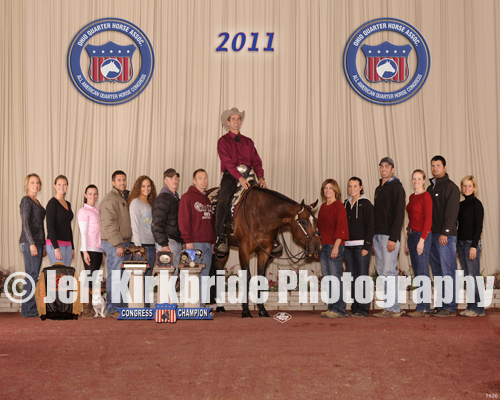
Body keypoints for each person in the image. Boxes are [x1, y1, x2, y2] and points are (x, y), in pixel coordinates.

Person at [214, 107, 268, 255]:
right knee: (223, 201)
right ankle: (220, 236)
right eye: (233, 119)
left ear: (241, 122)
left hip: (248, 175)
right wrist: (239, 177)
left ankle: (270, 237)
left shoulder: (248, 142)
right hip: (231, 176)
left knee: (263, 199)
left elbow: (256, 160)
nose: (236, 121)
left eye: (238, 119)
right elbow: (227, 162)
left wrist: (260, 176)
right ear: (228, 122)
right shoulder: (223, 141)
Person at [427, 156, 460, 317]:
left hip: (445, 236)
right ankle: (440, 305)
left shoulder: (451, 187)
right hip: (432, 235)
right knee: (438, 272)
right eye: (433, 165)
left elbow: (452, 212)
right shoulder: (429, 188)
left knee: (448, 271)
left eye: (438, 165)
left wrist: (445, 232)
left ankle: (450, 306)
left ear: (445, 167)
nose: (435, 168)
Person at [373, 157, 406, 318]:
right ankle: (389, 307)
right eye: (381, 166)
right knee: (382, 272)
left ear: (392, 169)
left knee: (389, 271)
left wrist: (394, 238)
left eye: (387, 166)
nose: (383, 169)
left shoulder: (397, 188)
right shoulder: (378, 189)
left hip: (389, 237)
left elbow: (399, 214)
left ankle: (393, 308)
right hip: (378, 236)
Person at [178, 169, 215, 307]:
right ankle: (191, 307)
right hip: (194, 244)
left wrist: (212, 242)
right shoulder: (187, 197)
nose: (203, 180)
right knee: (193, 277)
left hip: (207, 245)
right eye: (200, 178)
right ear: (194, 181)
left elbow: (210, 223)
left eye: (205, 177)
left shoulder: (207, 199)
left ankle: (201, 306)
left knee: (204, 278)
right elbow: (183, 221)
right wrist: (188, 241)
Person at [100, 170, 132, 318]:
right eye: (119, 180)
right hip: (114, 243)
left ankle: (121, 306)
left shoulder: (123, 197)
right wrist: (118, 244)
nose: (122, 182)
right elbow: (109, 224)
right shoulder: (110, 199)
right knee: (115, 275)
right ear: (113, 182)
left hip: (124, 243)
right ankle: (112, 307)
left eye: (124, 180)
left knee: (123, 276)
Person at [317, 179, 349, 318]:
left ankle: (339, 309)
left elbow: (341, 227)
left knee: (336, 277)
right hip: (323, 247)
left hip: (335, 245)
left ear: (335, 190)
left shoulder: (339, 206)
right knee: (328, 278)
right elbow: (319, 229)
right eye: (325, 188)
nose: (327, 190)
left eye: (330, 188)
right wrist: (317, 248)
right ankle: (332, 307)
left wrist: (336, 246)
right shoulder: (323, 207)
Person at [343, 177, 374, 318]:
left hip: (361, 246)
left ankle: (363, 309)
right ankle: (355, 307)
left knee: (362, 277)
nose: (352, 189)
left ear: (361, 187)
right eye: (350, 186)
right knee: (352, 278)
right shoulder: (345, 204)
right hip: (348, 247)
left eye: (355, 186)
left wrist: (367, 246)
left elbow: (371, 226)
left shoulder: (366, 203)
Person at [404, 170, 433, 317]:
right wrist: (407, 238)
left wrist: (422, 240)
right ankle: (422, 305)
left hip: (423, 236)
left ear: (424, 180)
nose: (416, 181)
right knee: (417, 272)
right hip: (412, 236)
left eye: (419, 179)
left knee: (422, 271)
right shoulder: (411, 197)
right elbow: (411, 220)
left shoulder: (426, 196)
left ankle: (424, 307)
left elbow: (428, 220)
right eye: (414, 179)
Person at [19, 173, 47, 318]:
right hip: (29, 242)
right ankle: (28, 310)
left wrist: (43, 244)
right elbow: (25, 223)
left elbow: (40, 225)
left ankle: (29, 308)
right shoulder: (26, 200)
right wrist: (32, 243)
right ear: (27, 185)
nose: (35, 185)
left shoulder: (37, 202)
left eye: (37, 182)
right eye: (32, 182)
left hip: (38, 242)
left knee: (33, 275)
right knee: (31, 274)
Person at [457, 175, 484, 317]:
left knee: (473, 276)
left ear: (474, 188)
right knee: (468, 277)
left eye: (469, 185)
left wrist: (474, 246)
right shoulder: (460, 205)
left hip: (471, 244)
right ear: (462, 188)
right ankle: (471, 306)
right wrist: (457, 245)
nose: (466, 188)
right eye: (464, 185)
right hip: (461, 244)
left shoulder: (477, 204)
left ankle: (478, 309)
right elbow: (459, 226)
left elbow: (479, 227)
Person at [128, 175, 157, 307]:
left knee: (148, 279)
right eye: (143, 186)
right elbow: (134, 225)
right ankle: (140, 308)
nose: (146, 188)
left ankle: (146, 307)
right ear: (138, 187)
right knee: (140, 279)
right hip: (142, 246)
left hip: (152, 245)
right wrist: (138, 247)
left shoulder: (152, 203)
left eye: (148, 186)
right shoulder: (135, 202)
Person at [77, 184, 103, 318]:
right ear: (85, 195)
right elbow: (83, 233)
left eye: (95, 193)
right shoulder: (83, 211)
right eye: (90, 193)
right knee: (89, 279)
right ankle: (86, 308)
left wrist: (102, 251)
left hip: (98, 249)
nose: (93, 196)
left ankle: (92, 306)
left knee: (94, 279)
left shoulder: (98, 210)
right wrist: (85, 251)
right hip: (89, 249)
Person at [152, 168, 183, 274]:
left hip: (175, 242)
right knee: (165, 276)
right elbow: (157, 224)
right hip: (167, 242)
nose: (174, 180)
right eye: (170, 178)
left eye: (176, 178)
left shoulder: (176, 199)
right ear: (165, 181)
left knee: (172, 276)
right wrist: (164, 244)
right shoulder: (163, 199)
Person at [46, 175, 75, 266]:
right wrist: (56, 248)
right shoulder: (52, 203)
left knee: (66, 273)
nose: (62, 187)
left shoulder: (68, 204)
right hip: (55, 244)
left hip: (67, 244)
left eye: (64, 185)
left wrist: (72, 247)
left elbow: (68, 227)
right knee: (58, 273)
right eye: (59, 184)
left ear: (67, 186)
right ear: (54, 186)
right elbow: (50, 227)